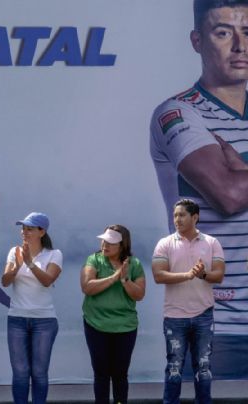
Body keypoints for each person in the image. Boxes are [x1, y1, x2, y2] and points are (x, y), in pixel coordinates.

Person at [149, 0, 248, 341]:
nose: (241, 46)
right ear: (197, 41)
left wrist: (241, 169)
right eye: (224, 33)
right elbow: (229, 195)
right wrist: (234, 177)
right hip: (216, 324)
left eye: (247, 32)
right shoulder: (178, 113)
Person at [152, 199, 225, 404]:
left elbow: (218, 275)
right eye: (175, 215)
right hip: (174, 316)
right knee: (174, 367)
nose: (177, 219)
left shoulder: (211, 243)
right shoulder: (165, 243)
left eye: (182, 215)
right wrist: (188, 275)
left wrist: (202, 275)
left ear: (195, 217)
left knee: (203, 368)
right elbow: (158, 275)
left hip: (203, 315)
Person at [80, 225, 146, 404]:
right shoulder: (93, 260)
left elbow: (139, 294)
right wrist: (114, 277)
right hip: (96, 325)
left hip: (125, 326)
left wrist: (125, 279)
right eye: (103, 240)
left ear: (122, 245)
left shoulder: (135, 264)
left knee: (120, 374)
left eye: (110, 242)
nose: (105, 244)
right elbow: (87, 287)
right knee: (101, 373)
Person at [1, 212, 61, 404]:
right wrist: (17, 266)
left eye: (30, 229)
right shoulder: (14, 251)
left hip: (44, 320)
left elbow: (47, 280)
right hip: (16, 318)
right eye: (23, 228)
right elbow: (5, 281)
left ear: (42, 232)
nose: (24, 232)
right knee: (20, 372)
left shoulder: (54, 254)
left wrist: (30, 264)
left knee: (39, 372)